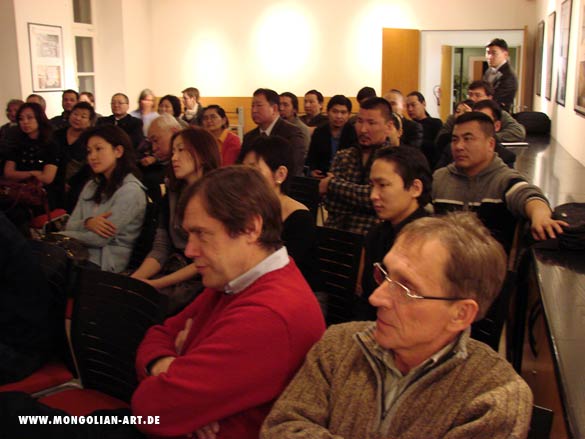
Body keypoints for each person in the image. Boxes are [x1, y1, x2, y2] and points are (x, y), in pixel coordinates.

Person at [261, 212, 533, 439]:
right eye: (385, 275)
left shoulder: (494, 398)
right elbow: (280, 428)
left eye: (406, 288)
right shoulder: (338, 345)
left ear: (461, 314)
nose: (376, 297)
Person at [131, 166, 325, 438]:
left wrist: (177, 361)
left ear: (251, 228)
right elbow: (159, 334)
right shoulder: (238, 276)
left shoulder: (270, 314)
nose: (189, 250)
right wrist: (168, 366)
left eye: (202, 234)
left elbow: (151, 409)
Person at [432, 111, 567, 252]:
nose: (459, 146)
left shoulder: (503, 179)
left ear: (490, 144)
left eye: (468, 139)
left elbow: (529, 196)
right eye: (455, 139)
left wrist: (541, 217)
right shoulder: (440, 178)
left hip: (490, 266)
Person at [131, 127, 220, 313]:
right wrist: (135, 280)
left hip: (205, 276)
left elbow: (209, 258)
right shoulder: (172, 195)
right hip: (173, 268)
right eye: (173, 152)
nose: (174, 158)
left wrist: (156, 283)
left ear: (202, 154)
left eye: (181, 150)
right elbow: (161, 247)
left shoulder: (217, 198)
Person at [358, 146, 432, 320]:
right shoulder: (377, 234)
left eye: (383, 185)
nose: (373, 195)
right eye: (372, 186)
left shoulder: (430, 242)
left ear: (415, 188)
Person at [61, 125, 147, 273]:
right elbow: (70, 224)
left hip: (106, 262)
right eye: (89, 151)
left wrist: (61, 235)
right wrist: (87, 222)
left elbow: (99, 239)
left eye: (98, 149)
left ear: (118, 151)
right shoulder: (92, 185)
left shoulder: (130, 190)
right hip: (78, 253)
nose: (92, 157)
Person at [240, 135, 319, 289]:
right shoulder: (245, 209)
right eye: (243, 170)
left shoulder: (300, 218)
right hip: (256, 285)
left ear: (280, 174)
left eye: (253, 170)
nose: (244, 178)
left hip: (297, 293)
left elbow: (279, 269)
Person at [319, 97, 396, 235]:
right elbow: (329, 203)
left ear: (389, 126)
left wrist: (332, 184)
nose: (363, 129)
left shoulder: (394, 159)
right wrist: (363, 200)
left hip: (372, 237)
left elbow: (378, 200)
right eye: (359, 121)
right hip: (334, 233)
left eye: (371, 123)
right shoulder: (344, 156)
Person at [2, 102, 59, 218]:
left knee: (16, 213)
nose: (25, 122)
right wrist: (32, 173)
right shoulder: (17, 144)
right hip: (16, 192)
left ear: (39, 118)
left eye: (30, 118)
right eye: (21, 119)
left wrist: (19, 174)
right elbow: (8, 173)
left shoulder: (51, 145)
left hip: (41, 195)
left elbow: (47, 178)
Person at [436, 80, 525, 145]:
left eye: (478, 95)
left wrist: (488, 137)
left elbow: (518, 132)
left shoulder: (498, 114)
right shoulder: (457, 115)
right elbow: (440, 138)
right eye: (470, 95)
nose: (472, 99)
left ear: (489, 97)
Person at [241, 88, 306, 176]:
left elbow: (294, 168)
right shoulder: (249, 137)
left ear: (274, 108)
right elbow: (241, 166)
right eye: (252, 106)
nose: (254, 110)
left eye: (259, 105)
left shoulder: (292, 133)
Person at [53, 101, 95, 211]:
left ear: (89, 122)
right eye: (75, 114)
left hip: (79, 182)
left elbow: (88, 166)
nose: (78, 118)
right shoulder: (57, 134)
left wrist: (71, 183)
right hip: (55, 178)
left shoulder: (91, 139)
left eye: (83, 116)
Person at [305, 94, 357, 177]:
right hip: (321, 176)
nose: (339, 116)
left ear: (349, 115)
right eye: (335, 111)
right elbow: (310, 159)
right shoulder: (319, 132)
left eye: (343, 112)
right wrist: (311, 171)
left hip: (344, 178)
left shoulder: (354, 133)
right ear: (327, 112)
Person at [406, 91, 443, 168]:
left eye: (413, 105)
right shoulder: (407, 126)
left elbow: (438, 147)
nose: (410, 109)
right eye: (407, 106)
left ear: (423, 104)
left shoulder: (436, 123)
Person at [484, 38, 518, 112]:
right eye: (488, 52)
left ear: (505, 54)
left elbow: (496, 100)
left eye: (494, 53)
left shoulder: (508, 76)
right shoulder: (489, 71)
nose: (489, 57)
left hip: (498, 115)